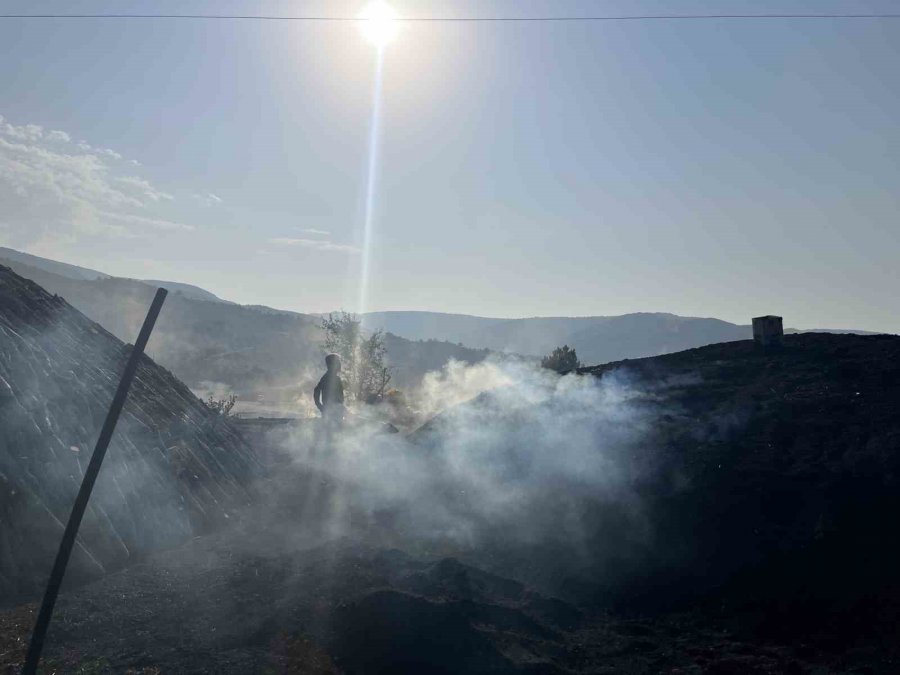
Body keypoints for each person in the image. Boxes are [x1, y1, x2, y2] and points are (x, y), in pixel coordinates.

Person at [314, 353, 345, 424]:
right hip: (331, 415)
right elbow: (316, 391)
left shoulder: (334, 378)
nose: (340, 364)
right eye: (338, 362)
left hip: (335, 413)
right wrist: (321, 407)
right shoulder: (327, 378)